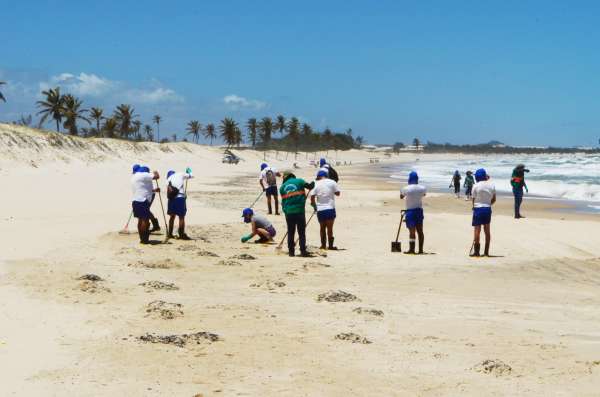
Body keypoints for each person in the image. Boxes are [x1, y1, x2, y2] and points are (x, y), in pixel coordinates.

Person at [280, 170, 315, 257]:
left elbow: (283, 202)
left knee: (291, 232)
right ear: (292, 176)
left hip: (289, 212)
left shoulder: (282, 187)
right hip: (299, 211)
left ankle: (291, 252)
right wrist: (313, 184)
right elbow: (309, 186)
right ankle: (303, 251)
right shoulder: (299, 181)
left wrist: (286, 211)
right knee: (301, 232)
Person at [310, 170, 341, 250]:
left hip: (320, 209)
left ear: (319, 177)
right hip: (330, 208)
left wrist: (314, 206)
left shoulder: (316, 184)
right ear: (326, 175)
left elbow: (312, 197)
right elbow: (338, 193)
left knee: (322, 228)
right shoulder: (332, 182)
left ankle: (323, 245)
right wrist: (330, 192)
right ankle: (330, 246)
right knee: (330, 228)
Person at [131, 165, 160, 244]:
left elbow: (143, 188)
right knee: (145, 220)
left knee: (140, 220)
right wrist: (155, 172)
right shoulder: (144, 174)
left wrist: (154, 190)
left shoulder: (135, 176)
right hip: (143, 201)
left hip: (135, 200)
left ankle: (142, 238)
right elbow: (157, 176)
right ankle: (145, 239)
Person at [470, 168, 496, 257]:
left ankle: (477, 252)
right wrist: (488, 204)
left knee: (477, 230)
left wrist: (474, 207)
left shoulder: (475, 185)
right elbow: (494, 199)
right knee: (487, 231)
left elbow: (473, 199)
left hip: (478, 209)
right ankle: (486, 252)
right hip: (487, 209)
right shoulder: (491, 185)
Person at [400, 171, 426, 254]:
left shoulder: (406, 188)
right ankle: (421, 250)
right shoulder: (422, 188)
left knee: (412, 231)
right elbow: (424, 194)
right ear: (417, 178)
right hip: (419, 211)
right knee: (420, 231)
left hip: (410, 211)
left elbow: (401, 196)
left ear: (409, 178)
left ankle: (412, 250)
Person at [166, 168, 193, 240]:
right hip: (180, 198)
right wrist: (189, 171)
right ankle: (181, 234)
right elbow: (191, 175)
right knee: (181, 217)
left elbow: (168, 193)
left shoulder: (168, 180)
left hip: (171, 199)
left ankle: (170, 234)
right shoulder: (180, 174)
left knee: (172, 217)